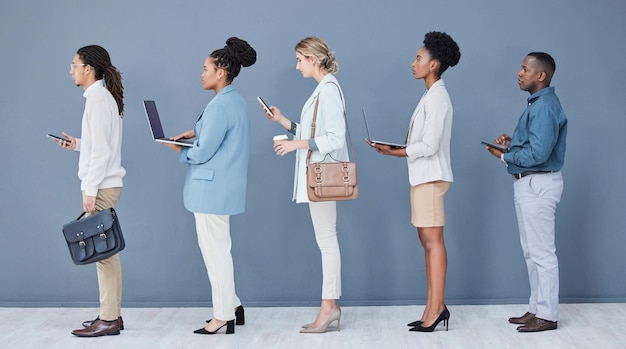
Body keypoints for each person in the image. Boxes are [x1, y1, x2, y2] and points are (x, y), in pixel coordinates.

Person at [367, 31, 460, 333]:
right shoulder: (431, 95)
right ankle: (432, 307)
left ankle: (437, 309)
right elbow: (423, 142)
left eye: (418, 58)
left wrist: (397, 152)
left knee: (433, 243)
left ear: (434, 64)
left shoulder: (438, 98)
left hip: (431, 178)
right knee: (428, 243)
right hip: (424, 178)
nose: (413, 63)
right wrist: (395, 150)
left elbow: (429, 145)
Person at [162, 37, 256, 335]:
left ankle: (223, 316)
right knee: (219, 250)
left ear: (222, 71)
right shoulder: (233, 101)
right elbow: (220, 137)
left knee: (216, 255)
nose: (201, 73)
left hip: (211, 191)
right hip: (223, 189)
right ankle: (234, 306)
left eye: (206, 68)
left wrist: (176, 147)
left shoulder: (219, 106)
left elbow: (202, 152)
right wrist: (196, 131)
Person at [261, 36, 348, 334]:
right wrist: (284, 122)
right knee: (326, 240)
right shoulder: (323, 90)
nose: (297, 66)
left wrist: (296, 144)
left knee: (327, 241)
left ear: (313, 58)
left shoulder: (330, 91)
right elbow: (315, 132)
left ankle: (329, 307)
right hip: (317, 176)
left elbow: (335, 139)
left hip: (323, 177)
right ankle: (329, 307)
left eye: (300, 59)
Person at [485, 52, 567, 333]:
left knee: (542, 252)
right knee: (532, 251)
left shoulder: (543, 106)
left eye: (524, 69)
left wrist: (504, 156)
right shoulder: (538, 104)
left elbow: (540, 153)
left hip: (538, 183)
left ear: (540, 76)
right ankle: (537, 308)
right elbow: (534, 146)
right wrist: (513, 144)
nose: (519, 73)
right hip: (530, 182)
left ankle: (548, 314)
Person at [54, 45, 126, 337]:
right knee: (106, 252)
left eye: (74, 65)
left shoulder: (97, 99)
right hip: (107, 183)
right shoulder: (100, 97)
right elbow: (99, 145)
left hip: (102, 186)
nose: (71, 70)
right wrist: (78, 145)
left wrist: (89, 189)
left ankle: (109, 319)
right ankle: (112, 316)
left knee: (104, 254)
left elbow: (103, 153)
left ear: (88, 68)